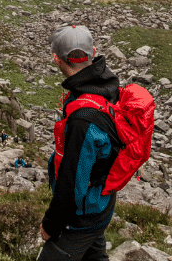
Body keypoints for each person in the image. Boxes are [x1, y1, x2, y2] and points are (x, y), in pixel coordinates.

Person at [38, 24, 120, 261]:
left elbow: (73, 181)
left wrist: (51, 225)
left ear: (57, 59)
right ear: (92, 53)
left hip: (82, 215)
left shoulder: (82, 119)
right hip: (100, 204)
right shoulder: (105, 87)